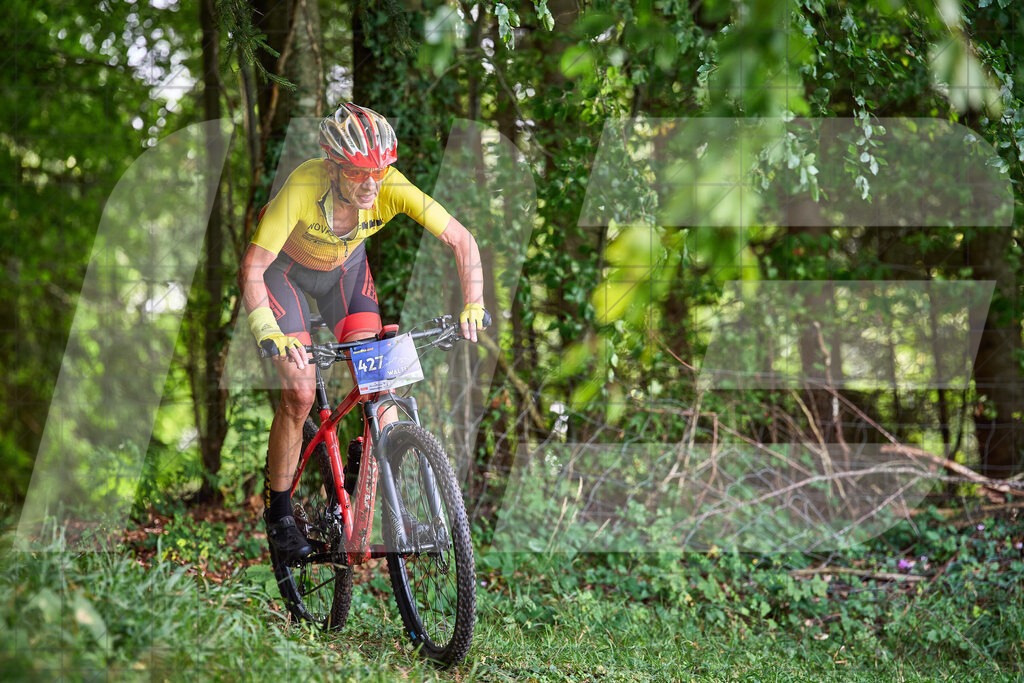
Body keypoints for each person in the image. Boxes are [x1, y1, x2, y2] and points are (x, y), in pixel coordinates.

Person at [239, 103, 487, 563]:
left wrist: (474, 302)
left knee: (381, 385)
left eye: (379, 170)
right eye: (357, 173)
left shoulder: (391, 185)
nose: (371, 184)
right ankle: (280, 514)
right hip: (283, 272)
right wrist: (267, 330)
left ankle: (387, 498)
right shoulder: (304, 186)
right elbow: (253, 267)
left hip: (345, 274)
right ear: (333, 166)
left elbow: (461, 239)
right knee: (299, 393)